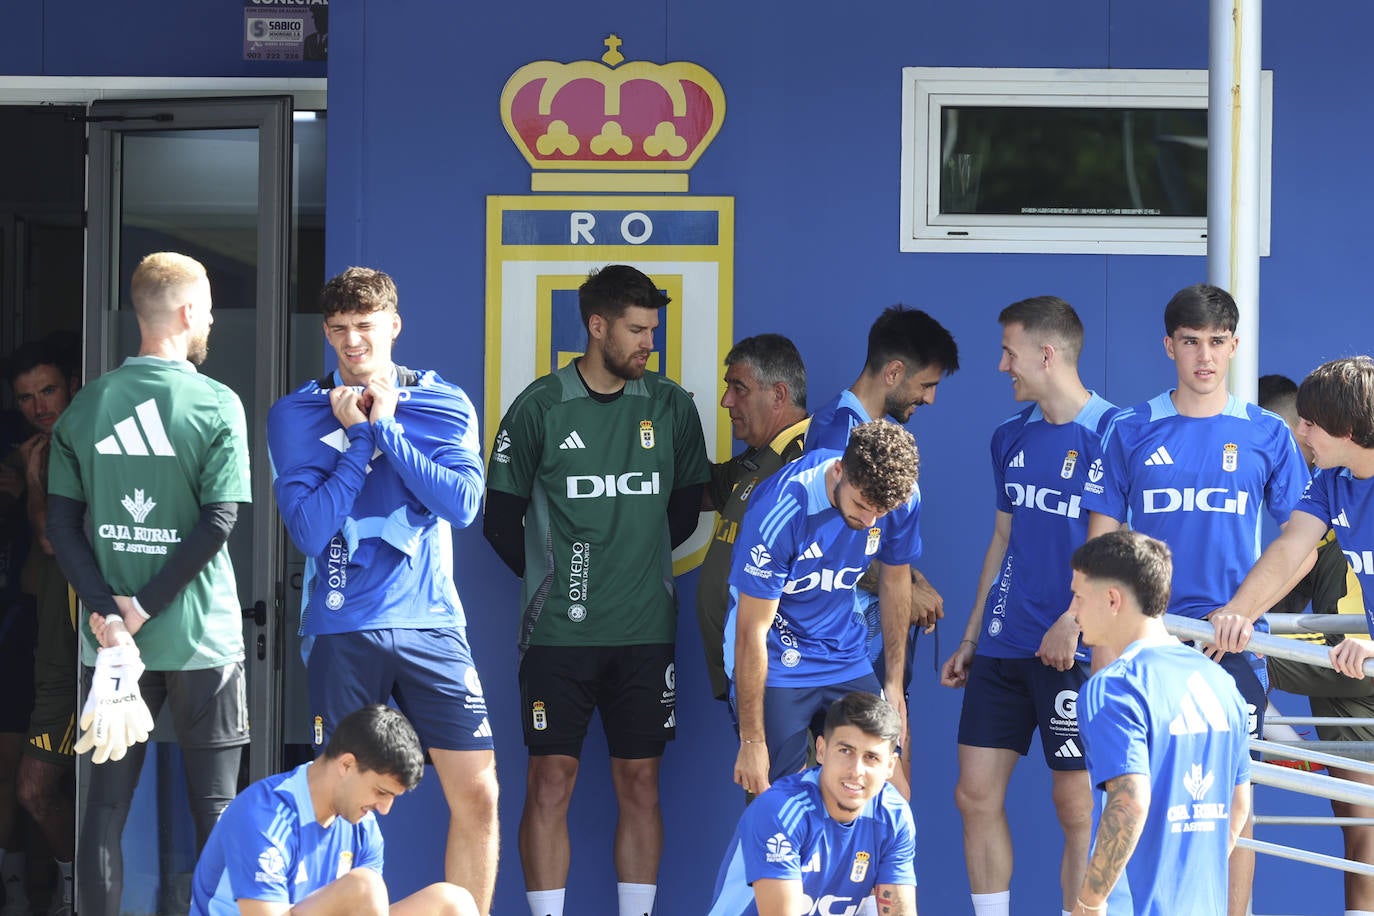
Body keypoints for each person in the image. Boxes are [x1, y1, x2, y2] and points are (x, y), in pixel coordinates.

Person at [266, 266, 497, 914]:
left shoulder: (443, 402)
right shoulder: (296, 414)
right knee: (344, 803)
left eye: (365, 326)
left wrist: (389, 430)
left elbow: (463, 505)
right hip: (342, 627)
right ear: (326, 332)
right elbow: (310, 531)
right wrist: (360, 439)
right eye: (339, 329)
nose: (352, 342)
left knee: (479, 792)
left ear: (393, 325)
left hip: (432, 625)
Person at [483, 264, 710, 916]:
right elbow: (500, 522)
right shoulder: (540, 406)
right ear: (597, 326)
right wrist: (558, 584)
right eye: (637, 331)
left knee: (640, 783)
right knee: (549, 781)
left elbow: (684, 512)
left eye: (653, 331)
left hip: (645, 631)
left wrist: (629, 565)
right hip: (559, 635)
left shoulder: (670, 406)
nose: (649, 344)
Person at [1082, 283, 1309, 916]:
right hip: (1144, 643)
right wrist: (1101, 642)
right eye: (1190, 342)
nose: (1204, 356)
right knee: (1132, 794)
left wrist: (1245, 611)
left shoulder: (1267, 433)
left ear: (1234, 346)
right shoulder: (1130, 428)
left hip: (1231, 647)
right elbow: (1101, 548)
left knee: (1232, 804)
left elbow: (1303, 543)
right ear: (1169, 347)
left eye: (1216, 342)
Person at [45, 252, 252, 916]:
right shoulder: (216, 402)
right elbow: (220, 519)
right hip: (200, 638)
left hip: (110, 647)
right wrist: (143, 607)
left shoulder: (87, 404)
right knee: (216, 810)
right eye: (209, 309)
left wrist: (110, 615)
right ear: (189, 311)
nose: (211, 320)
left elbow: (60, 524)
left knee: (103, 810)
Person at [939, 296, 1114, 916]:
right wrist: (971, 636)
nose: (1001, 365)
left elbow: (1114, 545)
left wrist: (1075, 620)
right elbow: (1003, 538)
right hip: (1004, 643)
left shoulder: (1113, 433)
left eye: (1008, 352)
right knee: (973, 795)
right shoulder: (1009, 435)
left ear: (1046, 354)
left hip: (1074, 648)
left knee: (1076, 806)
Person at [1213, 357, 1374, 916]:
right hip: (1355, 669)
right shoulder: (1331, 482)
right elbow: (1290, 550)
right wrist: (1236, 613)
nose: (1298, 433)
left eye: (1308, 423)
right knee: (1364, 832)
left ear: (1347, 428)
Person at [804, 305, 959, 785]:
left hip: (872, 655)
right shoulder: (838, 433)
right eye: (925, 384)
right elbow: (825, 551)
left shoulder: (877, 433)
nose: (930, 398)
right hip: (839, 654)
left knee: (888, 794)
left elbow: (879, 545)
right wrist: (906, 587)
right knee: (882, 793)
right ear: (893, 372)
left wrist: (910, 578)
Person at [727, 420, 922, 796]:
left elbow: (896, 580)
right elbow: (752, 630)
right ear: (838, 471)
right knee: (778, 800)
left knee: (892, 791)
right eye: (861, 505)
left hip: (845, 654)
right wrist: (752, 742)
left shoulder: (903, 497)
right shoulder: (782, 507)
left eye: (880, 513)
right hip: (777, 659)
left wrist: (894, 683)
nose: (869, 521)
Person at [1069, 529, 1251, 916]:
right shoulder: (1221, 682)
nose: (1073, 611)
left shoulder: (1113, 686)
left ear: (1113, 599)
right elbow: (1239, 806)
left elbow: (1129, 801)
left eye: (1079, 597)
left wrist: (1089, 902)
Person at [189, 704, 478, 916]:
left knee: (453, 903)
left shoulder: (364, 827)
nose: (384, 809)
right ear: (346, 765)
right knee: (364, 887)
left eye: (393, 797)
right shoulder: (262, 816)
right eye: (381, 792)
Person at [707, 692, 918, 916]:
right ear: (821, 750)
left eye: (871, 757)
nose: (856, 771)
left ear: (890, 766)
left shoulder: (893, 814)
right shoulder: (780, 810)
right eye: (845, 751)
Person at [7, 341, 80, 916]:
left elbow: (52, 540)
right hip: (49, 643)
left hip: (89, 647)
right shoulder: (38, 447)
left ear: (73, 384)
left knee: (36, 788)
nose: (39, 407)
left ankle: (77, 895)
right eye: (26, 398)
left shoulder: (79, 443)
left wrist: (33, 482)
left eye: (48, 390)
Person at [698, 334, 810, 704]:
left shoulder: (811, 458)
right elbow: (700, 491)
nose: (726, 401)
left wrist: (907, 582)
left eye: (738, 389)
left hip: (785, 678)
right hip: (746, 677)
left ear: (778, 395)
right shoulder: (758, 458)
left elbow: (856, 539)